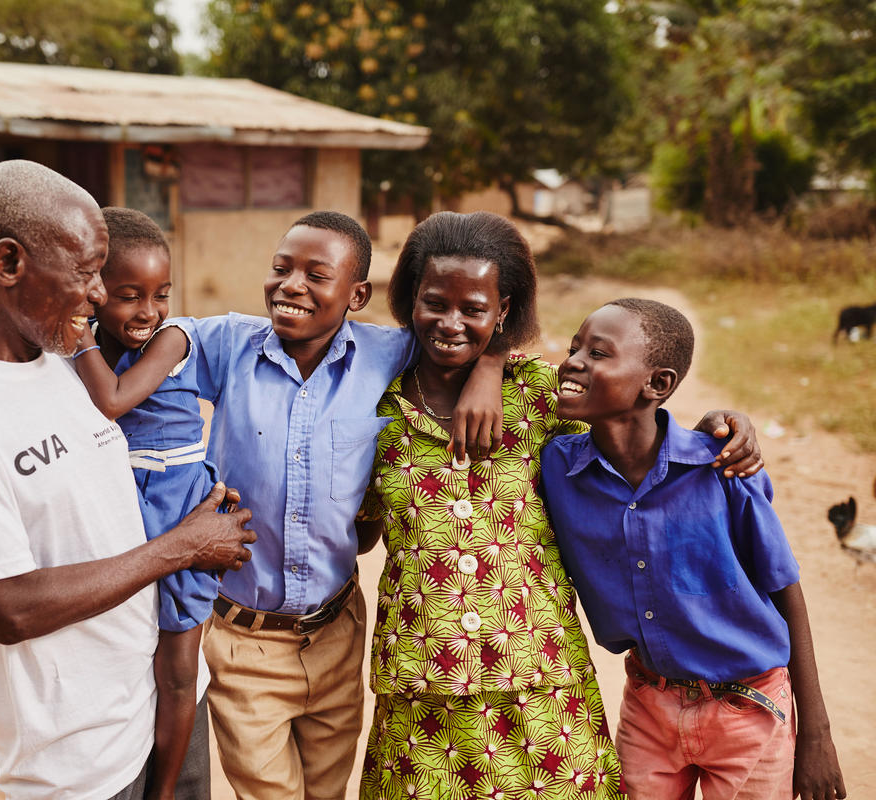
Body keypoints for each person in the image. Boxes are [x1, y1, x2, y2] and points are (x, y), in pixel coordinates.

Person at [355, 212, 761, 800]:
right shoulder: (373, 407)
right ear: (409, 298)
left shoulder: (542, 394)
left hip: (542, 683)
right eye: (433, 303)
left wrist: (725, 426)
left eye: (474, 309)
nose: (450, 323)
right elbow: (358, 526)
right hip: (423, 684)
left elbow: (638, 428)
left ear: (503, 310)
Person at [0, 160, 255, 800]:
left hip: (161, 707)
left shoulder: (66, 361)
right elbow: (12, 609)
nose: (97, 296)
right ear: (8, 264)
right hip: (77, 758)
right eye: (85, 274)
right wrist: (185, 547)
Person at [167, 210, 514, 800]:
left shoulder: (388, 355)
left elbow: (463, 327)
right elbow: (158, 333)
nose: (292, 285)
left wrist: (490, 365)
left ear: (357, 295)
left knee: (328, 789)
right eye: (281, 269)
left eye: (315, 274)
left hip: (336, 631)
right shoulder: (230, 346)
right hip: (241, 639)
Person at [541, 298, 847, 800]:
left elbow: (785, 587)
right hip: (649, 704)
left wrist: (816, 735)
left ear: (657, 385)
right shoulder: (557, 467)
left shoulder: (722, 469)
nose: (573, 361)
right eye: (575, 347)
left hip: (750, 708)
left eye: (598, 353)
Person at [68, 207, 219, 800]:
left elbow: (113, 401)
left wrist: (79, 337)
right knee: (121, 653)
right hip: (126, 514)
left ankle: (163, 792)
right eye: (130, 295)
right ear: (96, 290)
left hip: (181, 514)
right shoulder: (75, 353)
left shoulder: (171, 342)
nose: (149, 311)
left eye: (161, 294)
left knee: (178, 671)